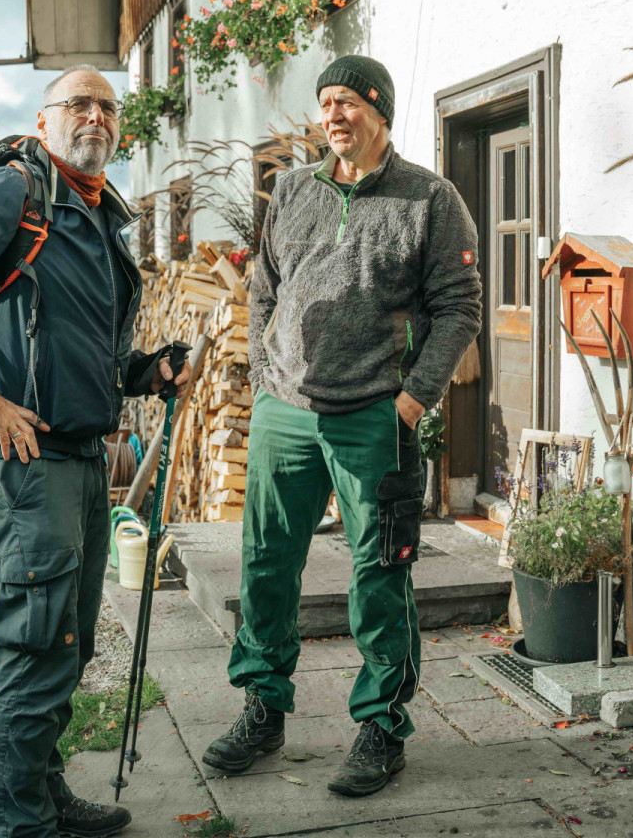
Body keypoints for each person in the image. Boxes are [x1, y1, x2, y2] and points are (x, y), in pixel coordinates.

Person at [0, 64, 190, 838]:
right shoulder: (15, 190)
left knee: (70, 639)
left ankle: (45, 793)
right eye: (78, 103)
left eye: (107, 106)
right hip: (23, 461)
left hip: (77, 455)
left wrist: (143, 373)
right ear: (46, 117)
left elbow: (75, 346)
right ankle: (19, 825)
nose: (95, 115)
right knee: (38, 638)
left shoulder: (91, 211)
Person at [203, 55, 483, 797]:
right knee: (265, 566)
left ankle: (382, 726)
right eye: (326, 103)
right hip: (285, 416)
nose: (335, 115)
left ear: (380, 112)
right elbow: (263, 289)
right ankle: (263, 706)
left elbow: (461, 307)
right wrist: (266, 378)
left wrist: (413, 399)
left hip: (373, 417)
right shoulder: (293, 189)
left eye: (350, 102)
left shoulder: (429, 198)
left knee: (379, 574)